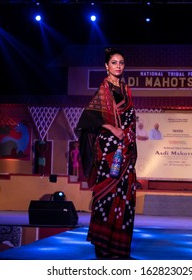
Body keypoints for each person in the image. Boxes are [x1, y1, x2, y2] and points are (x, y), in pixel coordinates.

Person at [75, 47, 138, 259]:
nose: (118, 66)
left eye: (121, 62)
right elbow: (87, 119)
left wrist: (126, 136)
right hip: (108, 150)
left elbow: (130, 120)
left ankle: (119, 249)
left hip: (125, 150)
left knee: (125, 198)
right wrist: (112, 129)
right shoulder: (103, 91)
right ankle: (102, 248)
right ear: (106, 66)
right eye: (114, 62)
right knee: (107, 197)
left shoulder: (126, 90)